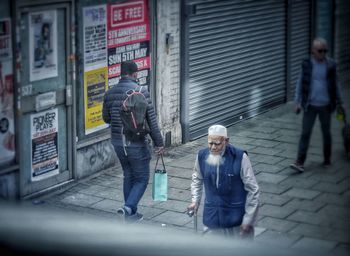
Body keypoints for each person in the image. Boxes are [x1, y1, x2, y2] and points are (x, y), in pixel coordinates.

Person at [102, 60, 164, 222]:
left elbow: (106, 118)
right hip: (136, 143)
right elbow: (151, 120)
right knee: (142, 178)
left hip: (117, 143)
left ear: (120, 74)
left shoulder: (110, 93)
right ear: (135, 74)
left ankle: (131, 215)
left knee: (128, 174)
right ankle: (128, 207)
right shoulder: (141, 91)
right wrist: (159, 143)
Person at [187, 124, 259, 238]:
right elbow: (197, 179)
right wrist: (195, 200)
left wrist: (248, 219)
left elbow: (253, 189)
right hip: (212, 217)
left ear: (226, 141)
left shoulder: (240, 157)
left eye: (217, 144)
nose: (213, 147)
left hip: (235, 219)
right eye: (210, 143)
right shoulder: (201, 155)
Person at [290, 38, 345, 173]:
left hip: (326, 106)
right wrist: (297, 102)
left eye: (325, 50)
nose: (323, 53)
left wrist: (341, 102)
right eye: (320, 51)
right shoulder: (307, 64)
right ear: (313, 51)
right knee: (305, 133)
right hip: (310, 106)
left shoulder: (331, 64)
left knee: (326, 133)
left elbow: (335, 84)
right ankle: (300, 162)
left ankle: (327, 159)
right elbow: (300, 83)